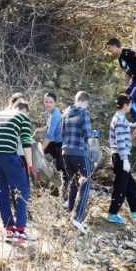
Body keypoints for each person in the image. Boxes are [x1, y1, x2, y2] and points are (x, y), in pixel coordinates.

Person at [0, 101, 36, 243]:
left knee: (1, 191)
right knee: (22, 189)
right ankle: (21, 232)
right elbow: (26, 143)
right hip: (8, 154)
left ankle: (9, 230)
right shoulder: (23, 118)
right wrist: (30, 167)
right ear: (25, 110)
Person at [107, 95, 136, 224]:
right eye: (130, 105)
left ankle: (135, 211)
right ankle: (112, 214)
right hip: (121, 156)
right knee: (120, 186)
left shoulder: (120, 118)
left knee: (130, 184)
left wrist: (133, 124)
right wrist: (124, 159)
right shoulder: (119, 120)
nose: (131, 107)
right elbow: (120, 141)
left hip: (122, 155)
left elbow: (124, 127)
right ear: (125, 105)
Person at [61, 91, 93, 234]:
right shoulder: (83, 113)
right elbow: (87, 133)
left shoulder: (65, 112)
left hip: (66, 152)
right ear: (86, 102)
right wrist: (93, 134)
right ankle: (78, 218)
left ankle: (71, 215)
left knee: (73, 183)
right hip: (80, 152)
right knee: (85, 183)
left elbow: (61, 133)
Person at [34, 92, 66, 185]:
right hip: (55, 141)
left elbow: (49, 133)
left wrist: (41, 149)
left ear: (55, 103)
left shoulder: (56, 114)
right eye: (46, 102)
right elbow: (48, 127)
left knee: (61, 165)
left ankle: (65, 185)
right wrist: (38, 130)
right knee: (46, 151)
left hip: (61, 141)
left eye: (51, 102)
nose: (48, 104)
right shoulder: (48, 112)